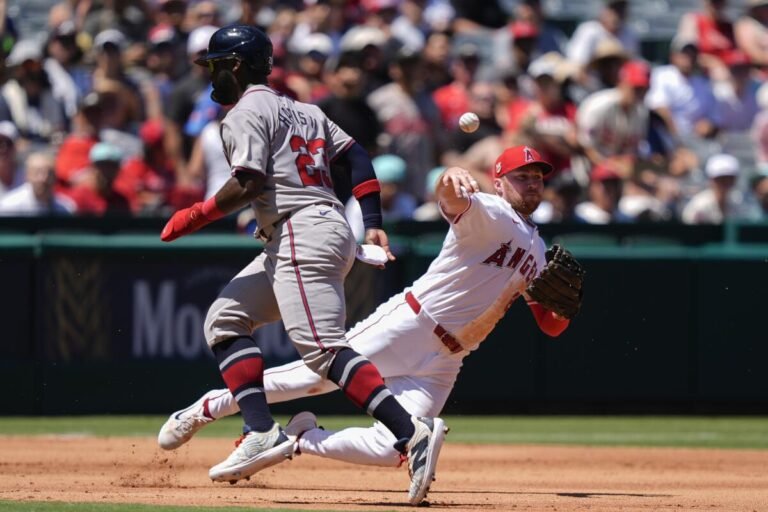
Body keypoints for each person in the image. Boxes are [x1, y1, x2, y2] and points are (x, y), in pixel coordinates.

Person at [158, 145, 582, 478]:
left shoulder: (539, 251)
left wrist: (565, 310)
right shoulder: (490, 211)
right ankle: (208, 407)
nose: (532, 184)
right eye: (521, 176)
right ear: (499, 183)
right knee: (312, 378)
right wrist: (450, 176)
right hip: (411, 324)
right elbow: (451, 199)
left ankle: (303, 438)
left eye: (537, 178)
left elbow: (549, 326)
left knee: (394, 446)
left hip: (450, 358)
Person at [158, 25, 445, 506]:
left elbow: (248, 182)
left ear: (235, 66)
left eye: (215, 65)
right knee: (225, 320)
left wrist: (197, 214)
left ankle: (407, 431)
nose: (210, 74)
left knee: (323, 351)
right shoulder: (306, 109)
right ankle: (260, 430)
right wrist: (372, 221)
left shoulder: (245, 111)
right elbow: (357, 156)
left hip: (300, 230)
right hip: (309, 230)